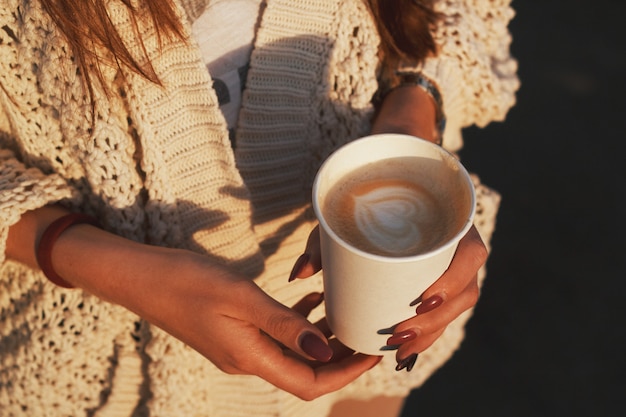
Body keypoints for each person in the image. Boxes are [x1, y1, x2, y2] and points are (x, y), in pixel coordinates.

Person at [0, 0, 519, 415]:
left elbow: (453, 14)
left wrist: (410, 122)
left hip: (362, 368)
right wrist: (103, 266)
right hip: (104, 383)